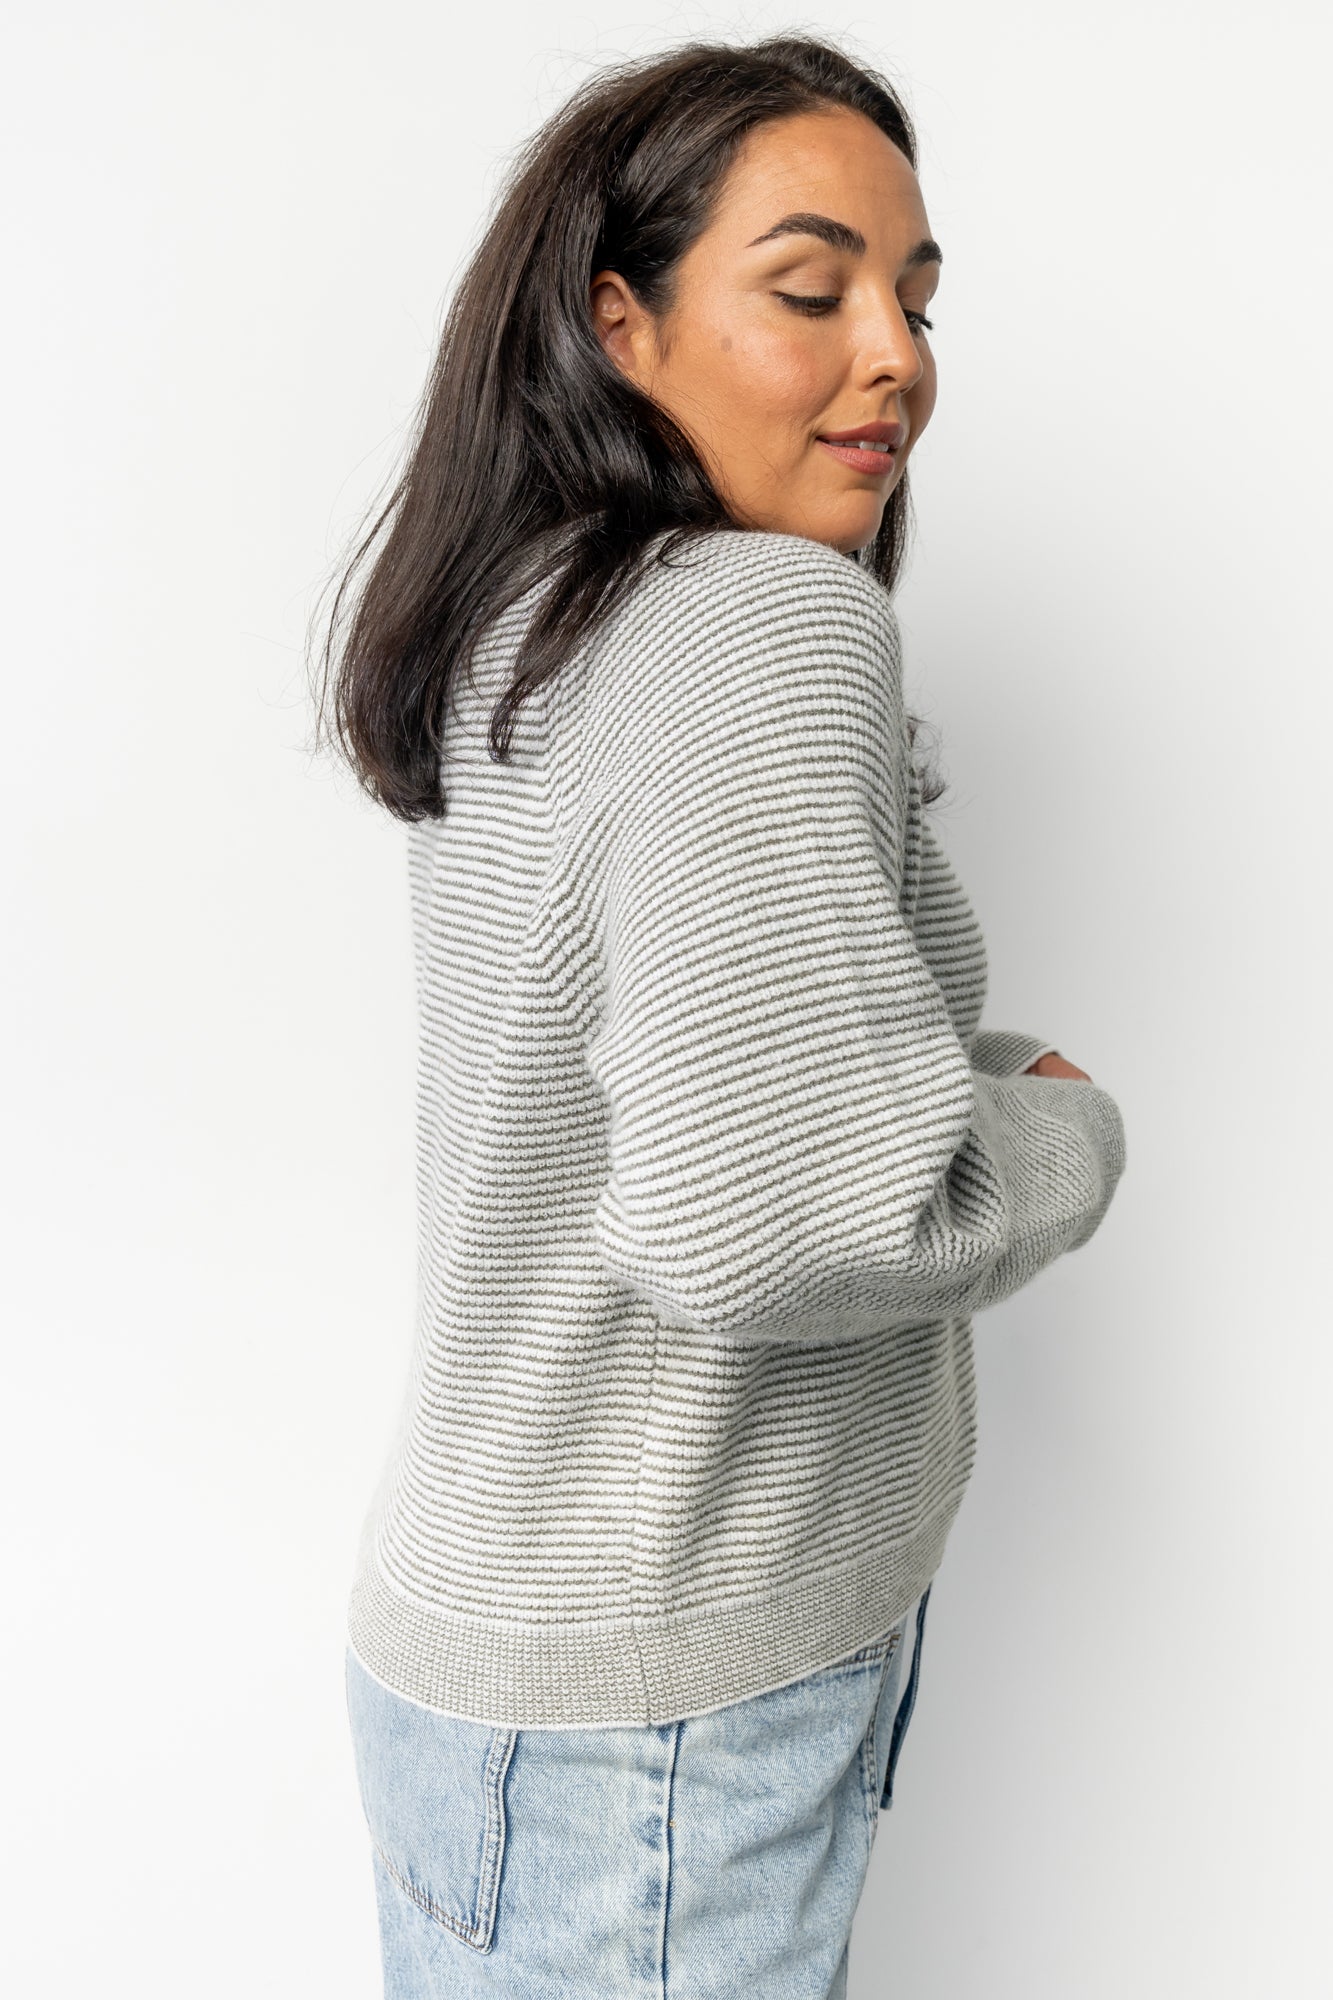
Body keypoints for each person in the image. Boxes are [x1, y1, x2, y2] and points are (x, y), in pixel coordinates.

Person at [312, 31, 1127, 2000]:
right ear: (621, 321)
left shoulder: (532, 611)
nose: (892, 356)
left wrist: (934, 1081)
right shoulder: (751, 624)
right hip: (653, 1714)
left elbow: (686, 1092)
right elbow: (768, 1225)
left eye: (914, 299)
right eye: (810, 289)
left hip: (503, 1644)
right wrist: (1065, 1127)